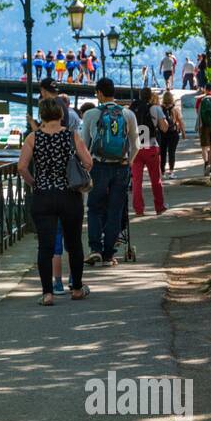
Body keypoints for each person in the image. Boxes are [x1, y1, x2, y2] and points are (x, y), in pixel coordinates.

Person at [18, 96, 93, 303]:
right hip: (69, 195)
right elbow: (88, 162)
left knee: (46, 246)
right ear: (61, 114)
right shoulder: (71, 136)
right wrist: (74, 174)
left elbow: (21, 167)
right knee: (74, 243)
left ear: (41, 115)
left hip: (43, 196)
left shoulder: (33, 138)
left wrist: (35, 183)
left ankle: (47, 293)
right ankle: (77, 288)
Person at [81, 77, 138, 266]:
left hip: (99, 166)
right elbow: (135, 145)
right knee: (115, 210)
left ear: (99, 93)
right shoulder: (128, 114)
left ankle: (95, 249)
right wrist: (127, 162)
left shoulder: (90, 114)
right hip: (121, 167)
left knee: (95, 208)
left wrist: (86, 167)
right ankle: (108, 255)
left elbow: (84, 146)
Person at [130, 86, 168, 216]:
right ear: (150, 96)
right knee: (155, 179)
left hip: (136, 148)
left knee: (136, 181)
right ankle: (159, 206)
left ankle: (138, 209)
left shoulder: (132, 109)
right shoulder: (155, 108)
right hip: (151, 146)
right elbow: (164, 128)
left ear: (139, 96)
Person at [160, 89, 183, 178]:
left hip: (163, 133)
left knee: (162, 153)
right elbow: (180, 121)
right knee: (171, 152)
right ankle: (171, 172)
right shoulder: (175, 109)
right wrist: (183, 132)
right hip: (173, 133)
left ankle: (162, 172)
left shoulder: (160, 109)